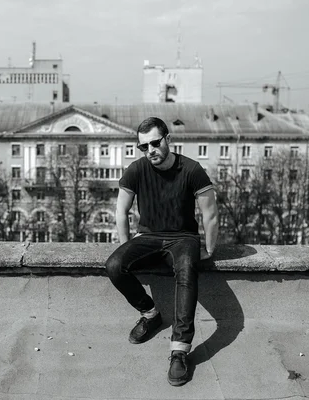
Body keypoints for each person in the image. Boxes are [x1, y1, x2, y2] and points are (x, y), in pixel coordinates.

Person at [105, 117, 219, 386]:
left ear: (168, 139)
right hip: (148, 236)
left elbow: (210, 214)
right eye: (143, 146)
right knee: (114, 265)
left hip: (183, 237)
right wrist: (125, 245)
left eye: (155, 143)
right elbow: (121, 211)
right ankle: (151, 315)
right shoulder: (136, 170)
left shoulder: (191, 169)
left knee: (187, 271)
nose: (150, 151)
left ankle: (179, 350)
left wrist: (210, 250)